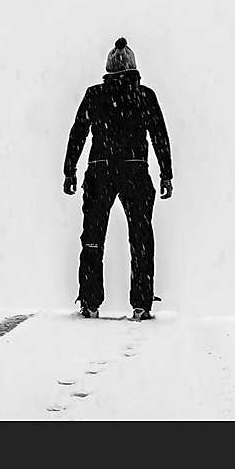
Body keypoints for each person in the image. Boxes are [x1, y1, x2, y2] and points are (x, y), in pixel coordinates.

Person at [63, 37, 173, 321]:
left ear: (108, 69)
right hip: (135, 170)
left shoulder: (95, 95)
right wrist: (166, 174)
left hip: (100, 170)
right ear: (133, 69)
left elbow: (78, 133)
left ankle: (89, 301)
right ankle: (141, 303)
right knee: (140, 237)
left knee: (92, 238)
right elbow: (160, 136)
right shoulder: (144, 96)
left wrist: (70, 170)